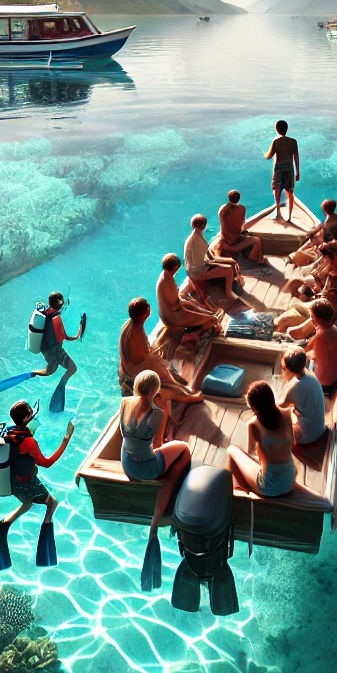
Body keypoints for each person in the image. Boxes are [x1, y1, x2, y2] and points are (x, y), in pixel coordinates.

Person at [120, 369, 194, 591]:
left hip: (127, 463)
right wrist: (167, 415)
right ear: (156, 390)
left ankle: (162, 502)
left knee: (158, 448)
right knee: (184, 450)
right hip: (146, 468)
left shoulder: (125, 403)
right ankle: (162, 510)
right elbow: (158, 445)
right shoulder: (157, 413)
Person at [0, 399, 75, 570]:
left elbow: (19, 450)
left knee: (28, 504)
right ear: (25, 418)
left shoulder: (8, 432)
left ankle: (5, 524)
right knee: (52, 502)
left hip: (13, 480)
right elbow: (47, 463)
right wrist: (67, 438)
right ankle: (45, 538)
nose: (32, 411)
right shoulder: (28, 442)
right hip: (27, 482)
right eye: (30, 411)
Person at [119, 297, 203, 403]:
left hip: (129, 371)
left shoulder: (128, 325)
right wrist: (168, 377)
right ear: (145, 314)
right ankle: (187, 397)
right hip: (138, 377)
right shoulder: (137, 335)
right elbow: (148, 363)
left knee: (163, 359)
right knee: (170, 387)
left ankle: (176, 383)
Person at [226, 381, 296, 497]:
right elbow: (292, 444)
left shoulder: (254, 425)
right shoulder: (287, 415)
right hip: (289, 481)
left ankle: (240, 492)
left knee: (232, 450)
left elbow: (250, 452)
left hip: (270, 487)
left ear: (255, 408)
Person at [30, 292, 85, 411]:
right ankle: (62, 384)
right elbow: (64, 337)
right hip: (54, 350)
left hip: (45, 350)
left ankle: (33, 373)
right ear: (61, 304)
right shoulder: (57, 318)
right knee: (72, 368)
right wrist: (79, 332)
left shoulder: (45, 313)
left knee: (49, 371)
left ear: (49, 303)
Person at [157, 253, 223, 346]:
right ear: (173, 268)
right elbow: (175, 307)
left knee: (195, 306)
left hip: (170, 311)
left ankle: (194, 327)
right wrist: (193, 309)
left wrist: (193, 306)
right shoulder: (166, 283)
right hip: (174, 315)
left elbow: (176, 301)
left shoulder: (165, 276)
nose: (176, 272)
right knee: (213, 319)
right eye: (176, 269)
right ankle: (191, 335)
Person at [277, 345, 327, 446]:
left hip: (306, 437)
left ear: (289, 369)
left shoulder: (295, 387)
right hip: (319, 429)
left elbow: (280, 406)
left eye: (283, 368)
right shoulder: (311, 376)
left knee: (280, 415)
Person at [184, 213, 243, 299]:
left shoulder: (192, 237)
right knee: (229, 270)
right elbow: (203, 261)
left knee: (229, 262)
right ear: (203, 226)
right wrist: (219, 261)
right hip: (198, 272)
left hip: (194, 269)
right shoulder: (197, 240)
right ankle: (229, 296)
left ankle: (232, 288)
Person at [303, 299, 337, 393]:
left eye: (312, 316)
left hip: (325, 384)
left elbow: (321, 361)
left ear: (319, 318)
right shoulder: (333, 330)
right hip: (334, 378)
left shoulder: (322, 336)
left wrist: (306, 355)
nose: (310, 318)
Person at [213, 190, 264, 264]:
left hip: (225, 241)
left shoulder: (223, 209)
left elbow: (222, 222)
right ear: (239, 199)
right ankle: (256, 258)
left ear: (229, 198)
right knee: (257, 240)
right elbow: (242, 223)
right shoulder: (241, 208)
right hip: (236, 242)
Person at [265, 120, 301, 222]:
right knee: (290, 192)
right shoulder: (293, 141)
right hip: (289, 170)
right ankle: (289, 216)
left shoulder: (276, 141)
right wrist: (298, 173)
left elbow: (269, 156)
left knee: (277, 191)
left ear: (276, 129)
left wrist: (264, 154)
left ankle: (278, 214)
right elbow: (296, 158)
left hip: (278, 170)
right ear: (286, 129)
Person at [293, 199, 337, 265]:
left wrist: (327, 244)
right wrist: (311, 233)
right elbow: (321, 226)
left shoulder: (332, 223)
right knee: (314, 235)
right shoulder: (331, 217)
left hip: (334, 243)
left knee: (313, 243)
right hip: (331, 239)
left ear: (325, 210)